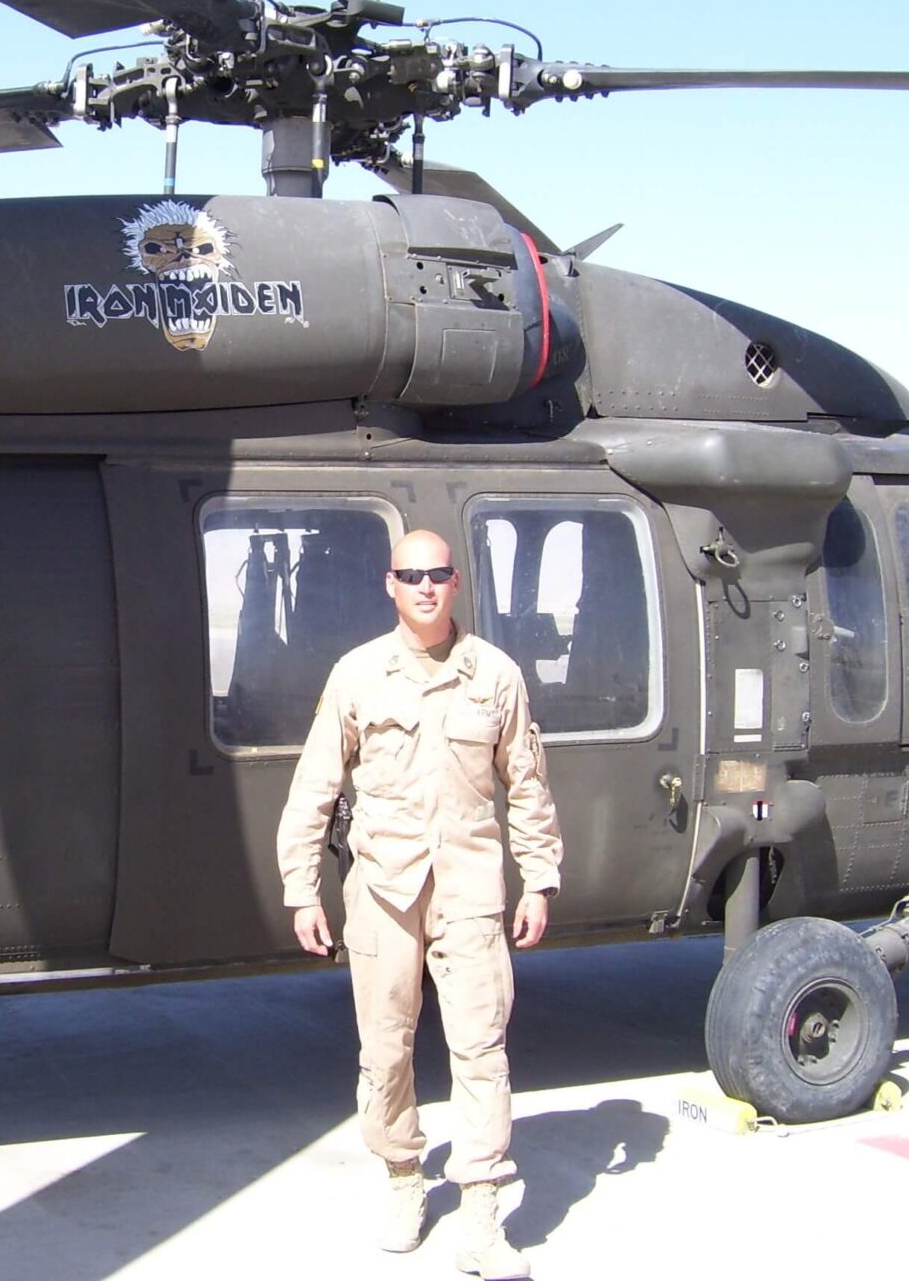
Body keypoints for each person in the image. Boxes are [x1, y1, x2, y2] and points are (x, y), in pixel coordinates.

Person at [276, 528, 561, 1280]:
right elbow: (316, 787)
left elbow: (526, 786)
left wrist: (539, 878)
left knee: (481, 1050)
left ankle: (481, 1217)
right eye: (412, 575)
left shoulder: (494, 676)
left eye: (438, 574)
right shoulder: (358, 675)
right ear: (390, 585)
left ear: (457, 584)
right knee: (386, 1051)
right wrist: (301, 887)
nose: (426, 587)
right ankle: (404, 1178)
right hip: (382, 891)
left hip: (468, 887)